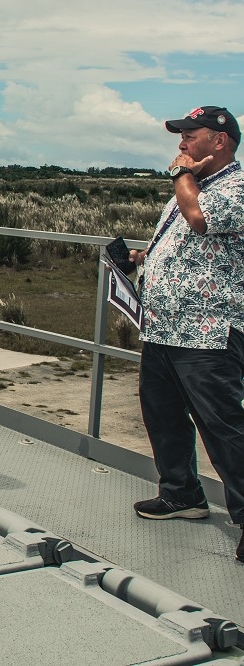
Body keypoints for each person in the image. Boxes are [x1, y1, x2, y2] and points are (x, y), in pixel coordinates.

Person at [131, 105, 244, 563]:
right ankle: (182, 494)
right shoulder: (195, 185)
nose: (180, 144)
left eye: (189, 135)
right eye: (180, 136)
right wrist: (146, 259)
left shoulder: (236, 186)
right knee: (164, 417)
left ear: (219, 141)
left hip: (207, 334)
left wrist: (180, 175)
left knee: (224, 429)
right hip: (164, 328)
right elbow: (190, 239)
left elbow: (199, 219)